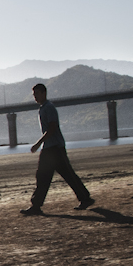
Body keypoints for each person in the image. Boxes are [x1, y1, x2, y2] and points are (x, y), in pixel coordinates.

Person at [20, 83, 95, 215]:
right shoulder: (44, 108)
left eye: (37, 94)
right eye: (34, 94)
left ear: (44, 93)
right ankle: (37, 205)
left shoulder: (49, 108)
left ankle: (85, 198)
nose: (35, 97)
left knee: (64, 175)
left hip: (55, 148)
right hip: (51, 148)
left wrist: (38, 143)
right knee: (45, 176)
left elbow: (52, 128)